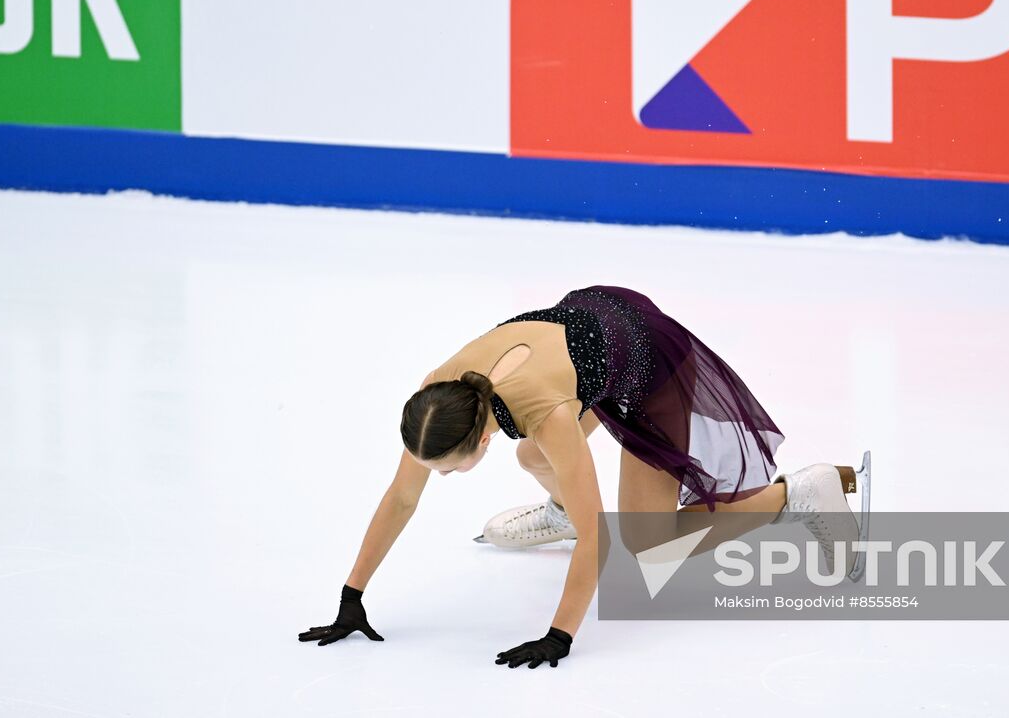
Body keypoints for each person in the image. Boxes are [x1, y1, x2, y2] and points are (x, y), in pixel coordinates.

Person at [297, 285, 869, 669]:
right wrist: (352, 597)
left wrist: (560, 634)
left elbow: (600, 537)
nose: (436, 477)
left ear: (476, 441)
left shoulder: (545, 415)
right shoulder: (437, 396)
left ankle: (797, 496)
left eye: (445, 469)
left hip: (649, 361)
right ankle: (559, 510)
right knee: (531, 461)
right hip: (594, 323)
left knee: (648, 545)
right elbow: (401, 498)